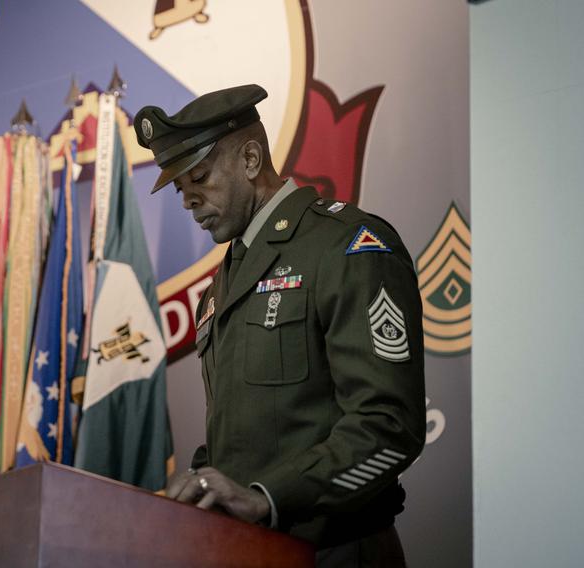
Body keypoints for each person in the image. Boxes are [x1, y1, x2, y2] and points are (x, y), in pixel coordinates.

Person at [133, 84, 426, 567]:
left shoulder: (346, 246)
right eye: (182, 190)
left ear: (250, 159)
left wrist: (268, 497)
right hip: (248, 552)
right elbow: (244, 436)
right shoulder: (219, 288)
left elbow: (389, 426)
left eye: (200, 178)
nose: (189, 201)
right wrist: (203, 485)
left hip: (336, 551)